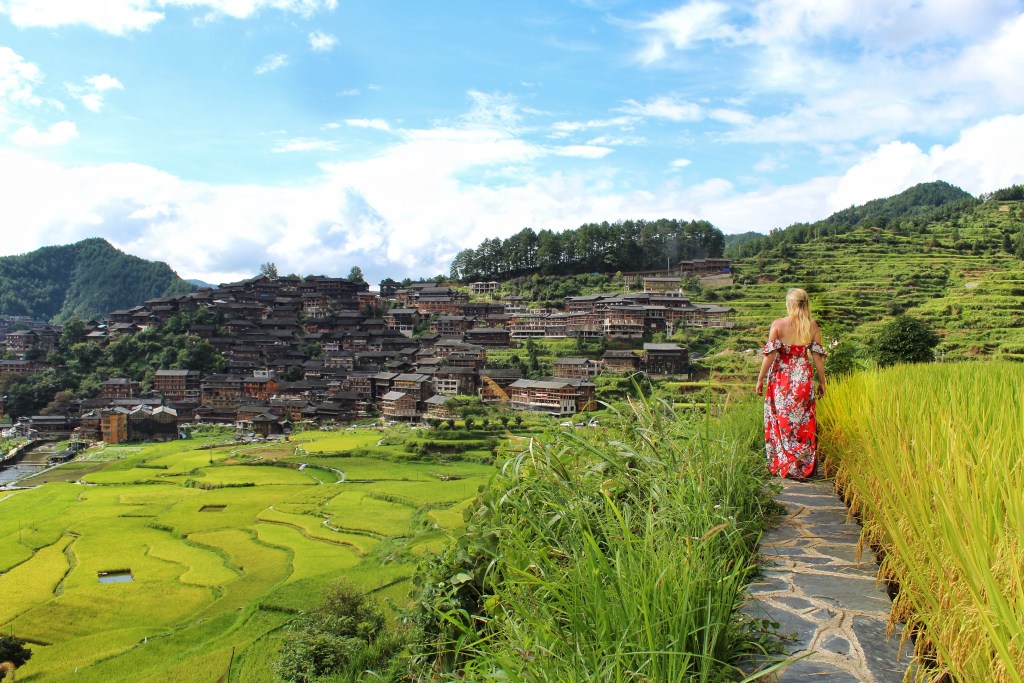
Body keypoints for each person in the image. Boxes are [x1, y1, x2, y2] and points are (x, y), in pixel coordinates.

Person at [755, 288, 827, 479]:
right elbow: (817, 358)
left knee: (782, 420)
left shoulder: (778, 325)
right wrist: (822, 382)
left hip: (781, 379)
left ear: (789, 304)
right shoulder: (812, 327)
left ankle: (785, 464)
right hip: (803, 378)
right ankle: (802, 465)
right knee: (803, 422)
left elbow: (770, 356)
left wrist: (760, 379)